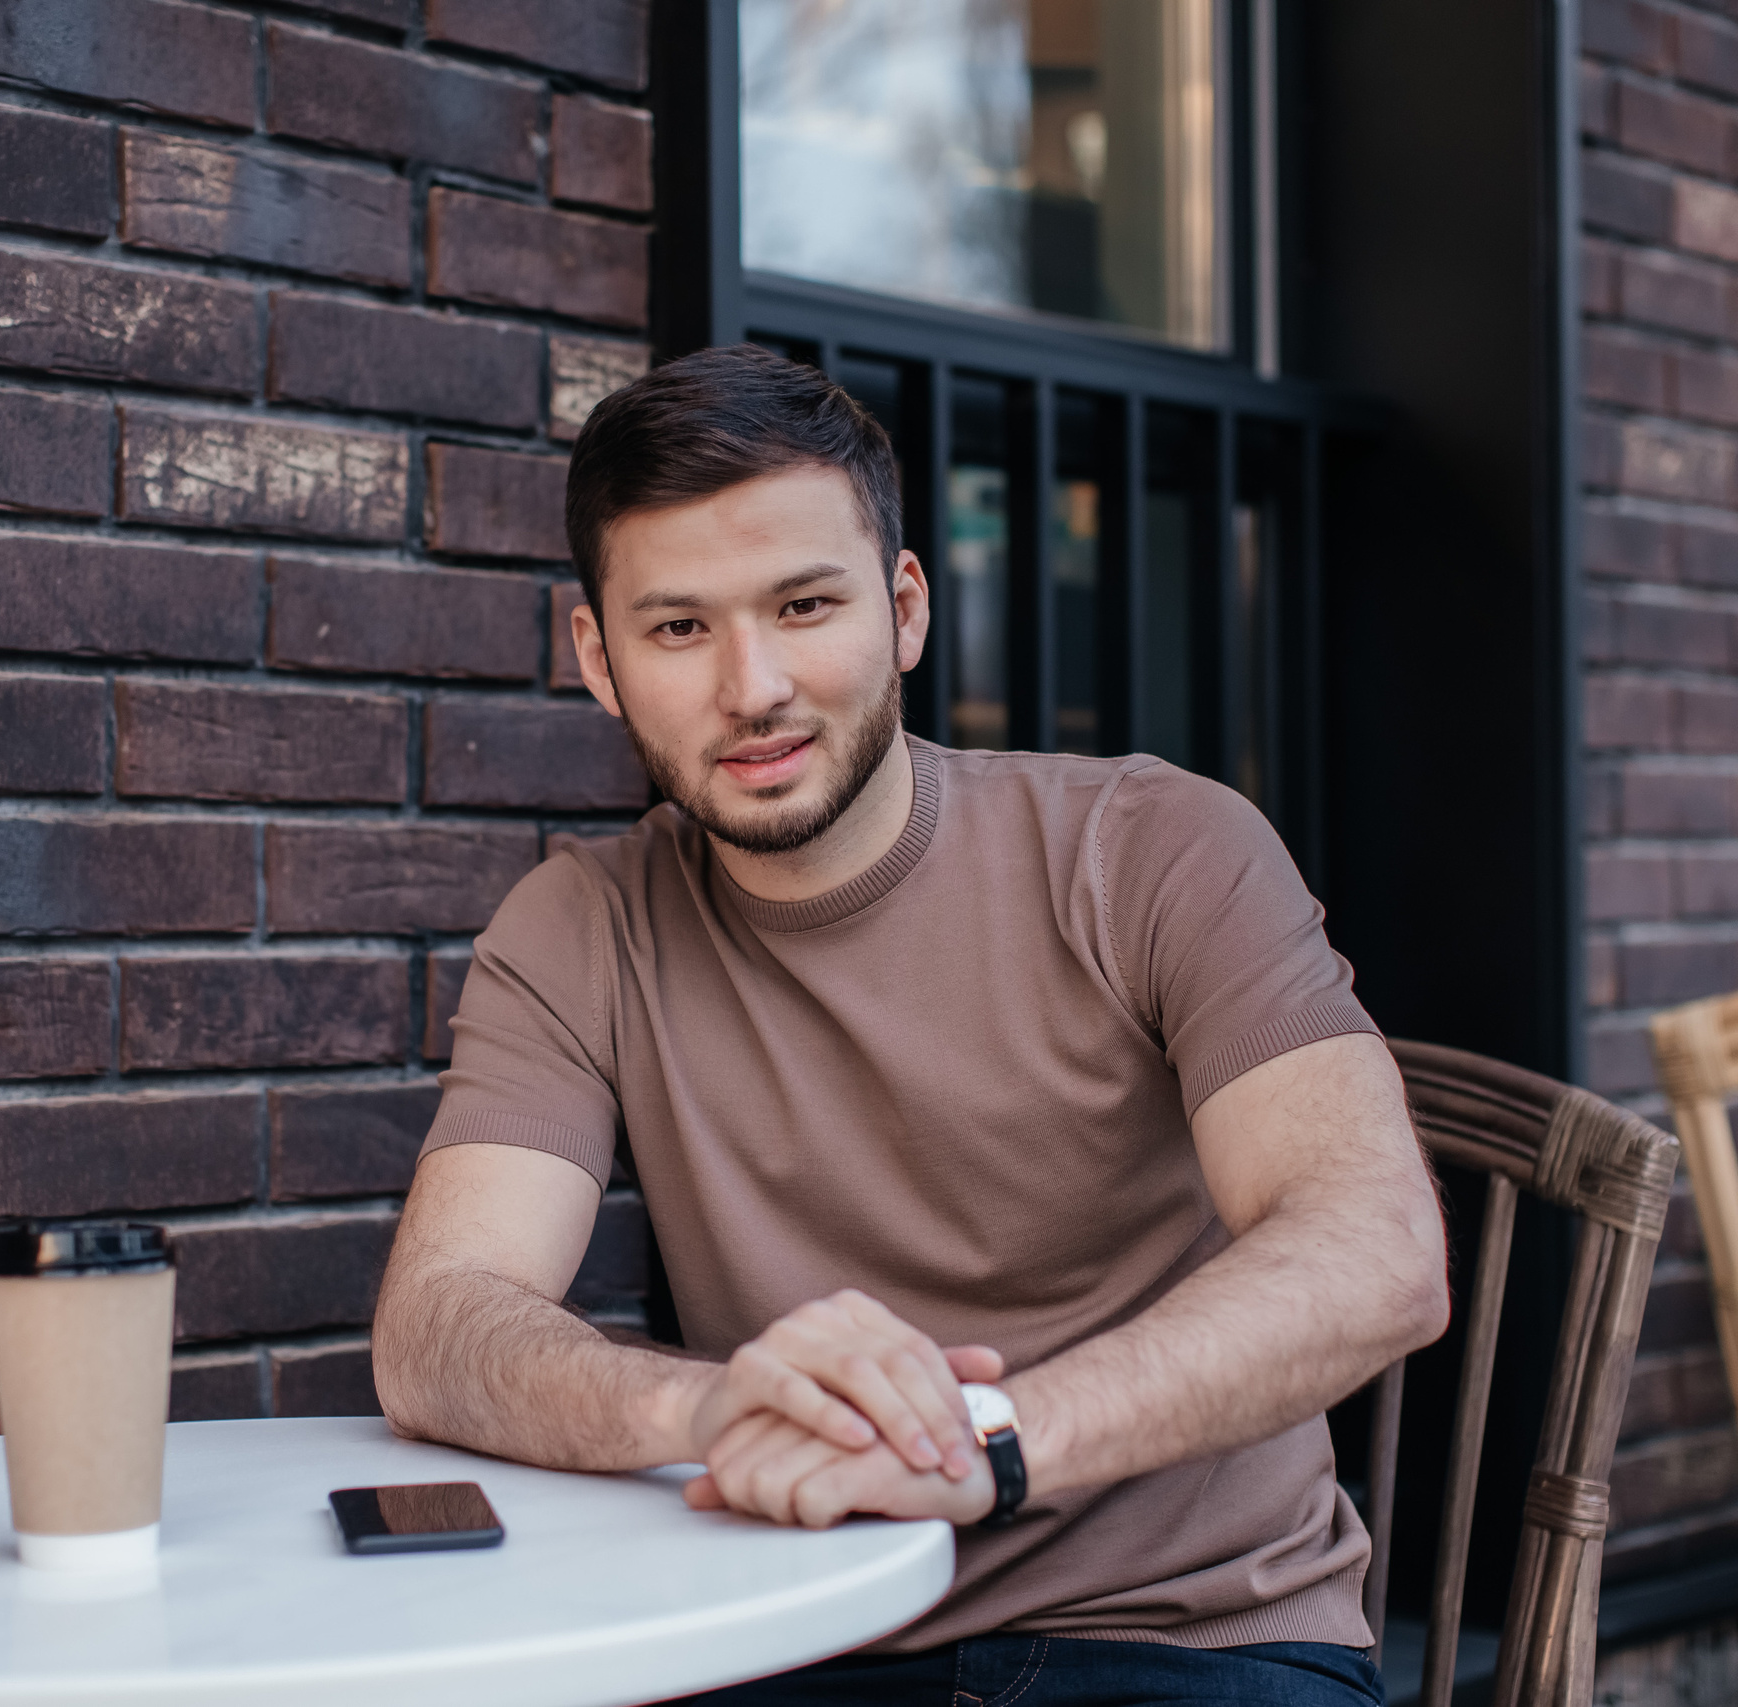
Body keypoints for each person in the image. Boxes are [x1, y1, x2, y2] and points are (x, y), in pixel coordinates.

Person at [370, 345, 1450, 1706]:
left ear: (904, 610)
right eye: (680, 627)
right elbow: (440, 1322)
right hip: (790, 1630)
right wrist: (704, 1411)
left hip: (1184, 1640)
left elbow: (1378, 1250)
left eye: (805, 605)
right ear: (599, 658)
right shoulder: (580, 926)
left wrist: (986, 1441)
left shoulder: (1156, 849)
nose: (750, 686)